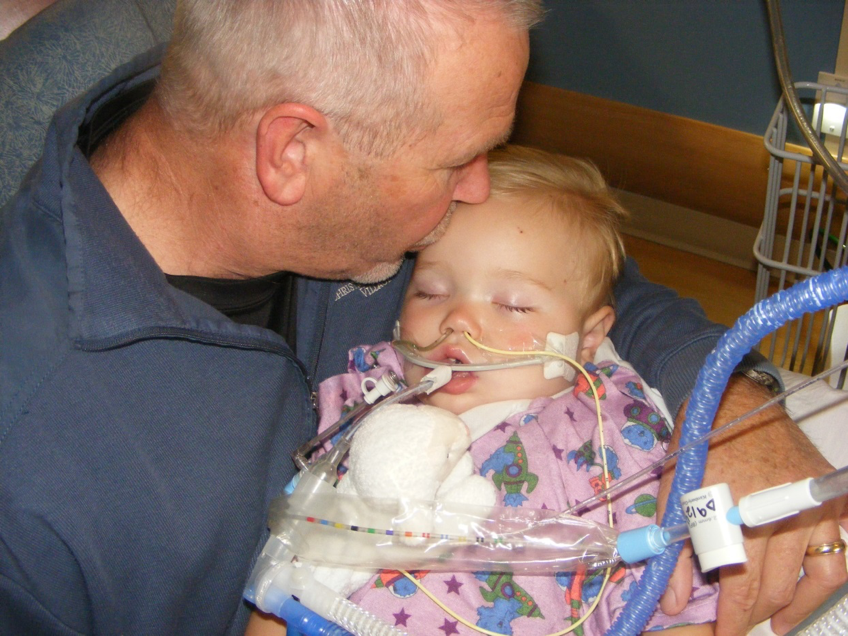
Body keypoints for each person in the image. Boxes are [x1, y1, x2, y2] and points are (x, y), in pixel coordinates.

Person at [0, 1, 843, 635]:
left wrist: (730, 402)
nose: (478, 188)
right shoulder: (38, 486)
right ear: (293, 153)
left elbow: (591, 277)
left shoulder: (310, 125)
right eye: (457, 162)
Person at [293, 144, 718, 635]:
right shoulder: (365, 398)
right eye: (430, 292)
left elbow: (675, 609)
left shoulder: (611, 435)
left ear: (589, 338)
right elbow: (284, 570)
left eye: (513, 305)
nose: (458, 320)